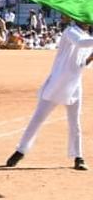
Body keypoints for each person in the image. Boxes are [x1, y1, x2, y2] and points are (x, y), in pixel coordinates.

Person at [6, 17, 93, 171]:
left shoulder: (87, 38)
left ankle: (78, 157)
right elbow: (80, 43)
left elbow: (82, 64)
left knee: (75, 123)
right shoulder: (70, 31)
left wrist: (90, 57)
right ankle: (20, 151)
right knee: (38, 119)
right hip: (57, 83)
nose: (88, 22)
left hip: (74, 85)